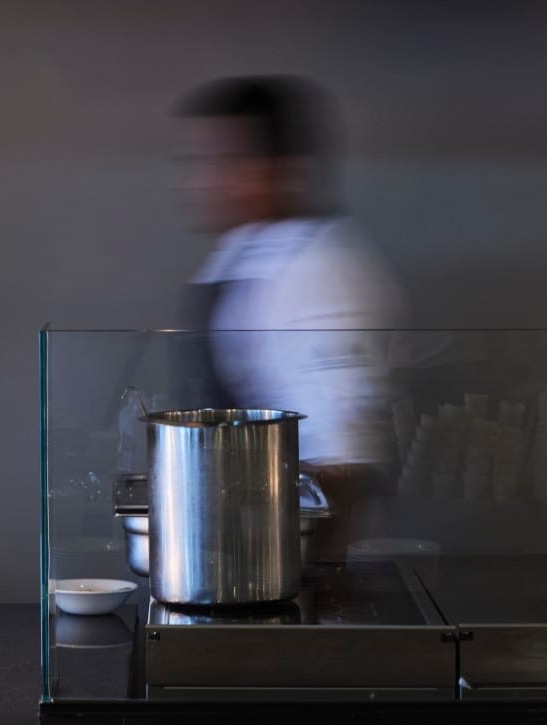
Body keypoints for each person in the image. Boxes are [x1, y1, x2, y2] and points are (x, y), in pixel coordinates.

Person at [173, 76, 405, 552]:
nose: (204, 180)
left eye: (228, 162)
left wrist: (300, 582)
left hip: (280, 563)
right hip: (240, 549)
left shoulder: (320, 273)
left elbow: (341, 463)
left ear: (287, 170)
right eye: (198, 163)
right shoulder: (244, 249)